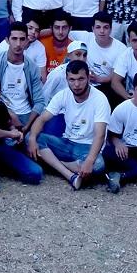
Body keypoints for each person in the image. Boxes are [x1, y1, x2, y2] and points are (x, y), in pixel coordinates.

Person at [27, 59, 110, 190]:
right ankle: (70, 175)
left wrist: (89, 161)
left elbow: (100, 135)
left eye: (81, 79)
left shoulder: (100, 99)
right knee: (30, 138)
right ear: (66, 79)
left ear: (88, 78)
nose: (76, 84)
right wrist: (32, 138)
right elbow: (42, 119)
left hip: (87, 147)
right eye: (72, 79)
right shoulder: (63, 95)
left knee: (98, 165)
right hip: (67, 143)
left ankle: (55, 164)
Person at [0, 21, 48, 132]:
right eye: (14, 39)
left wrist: (27, 126)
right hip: (0, 113)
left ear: (27, 41)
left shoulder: (32, 68)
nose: (18, 44)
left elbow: (39, 101)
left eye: (22, 39)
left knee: (37, 140)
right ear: (7, 40)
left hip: (26, 115)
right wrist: (9, 114)